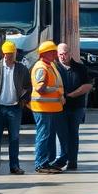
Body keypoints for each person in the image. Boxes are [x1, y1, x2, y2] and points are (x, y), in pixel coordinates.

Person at [0, 40, 30, 175]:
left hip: (14, 108)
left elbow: (28, 86)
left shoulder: (21, 69)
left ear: (15, 54)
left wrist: (23, 100)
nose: (9, 56)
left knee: (14, 138)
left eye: (11, 54)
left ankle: (14, 166)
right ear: (3, 54)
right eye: (7, 54)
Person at [52, 43, 92, 172]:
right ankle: (61, 160)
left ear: (70, 53)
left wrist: (70, 95)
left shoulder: (80, 68)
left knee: (73, 134)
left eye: (65, 53)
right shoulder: (54, 68)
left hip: (76, 107)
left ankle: (72, 161)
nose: (63, 56)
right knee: (61, 134)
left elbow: (87, 86)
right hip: (59, 108)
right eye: (60, 54)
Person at [29, 41, 65, 174]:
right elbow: (40, 88)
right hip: (42, 108)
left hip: (50, 108)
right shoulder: (41, 68)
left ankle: (47, 162)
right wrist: (55, 90)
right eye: (53, 52)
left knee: (48, 136)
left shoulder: (49, 66)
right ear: (45, 54)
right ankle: (41, 164)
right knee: (43, 136)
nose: (55, 54)